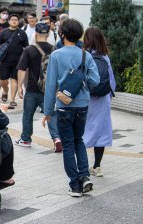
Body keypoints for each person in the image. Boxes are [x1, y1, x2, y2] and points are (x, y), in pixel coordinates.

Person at [43, 19, 100, 197]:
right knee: (79, 140)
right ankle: (84, 176)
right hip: (82, 105)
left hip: (64, 106)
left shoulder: (56, 55)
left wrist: (47, 111)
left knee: (68, 145)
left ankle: (75, 185)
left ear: (62, 34)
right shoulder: (86, 55)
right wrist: (83, 82)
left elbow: (50, 85)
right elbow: (95, 81)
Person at [15, 22, 62, 152]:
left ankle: (25, 139)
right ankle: (57, 139)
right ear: (48, 34)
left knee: (28, 114)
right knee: (51, 114)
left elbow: (22, 69)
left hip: (32, 89)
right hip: (50, 90)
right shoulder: (55, 50)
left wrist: (19, 87)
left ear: (35, 34)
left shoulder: (29, 50)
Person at [82, 26, 116, 177]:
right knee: (101, 132)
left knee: (82, 131)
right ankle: (97, 166)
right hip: (102, 100)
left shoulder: (84, 56)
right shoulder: (105, 57)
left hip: (86, 99)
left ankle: (81, 166)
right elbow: (112, 82)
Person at [0, 14, 28, 108]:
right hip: (4, 60)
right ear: (9, 21)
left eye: (16, 19)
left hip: (18, 61)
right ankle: (5, 90)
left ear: (18, 21)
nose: (14, 21)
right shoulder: (4, 32)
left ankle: (12, 99)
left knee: (14, 79)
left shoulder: (22, 33)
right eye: (12, 19)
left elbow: (26, 47)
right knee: (3, 80)